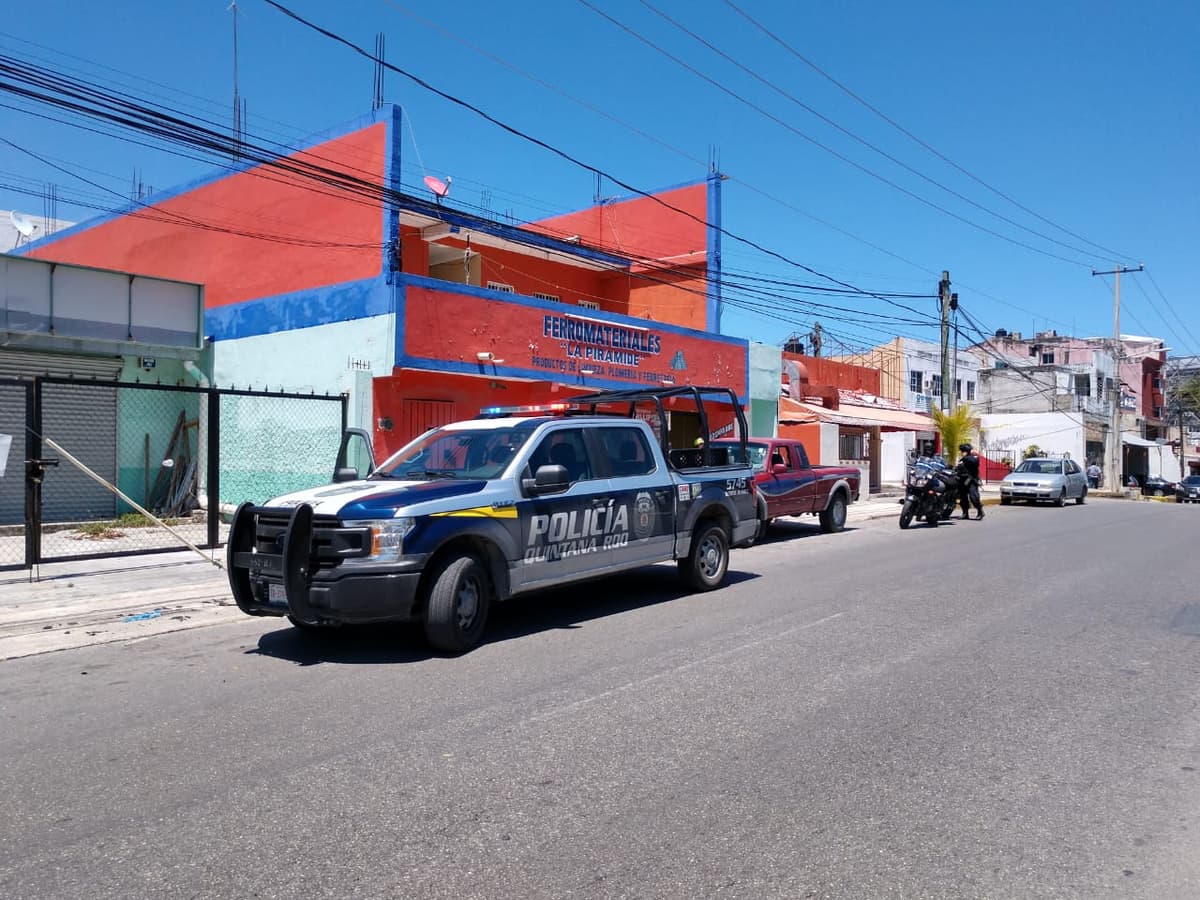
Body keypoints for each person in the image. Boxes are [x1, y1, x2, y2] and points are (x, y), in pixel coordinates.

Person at [955, 442, 984, 520]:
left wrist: (966, 456)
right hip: (962, 481)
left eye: (963, 451)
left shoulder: (973, 458)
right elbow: (957, 469)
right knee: (963, 498)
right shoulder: (962, 460)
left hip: (971, 481)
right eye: (961, 451)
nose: (961, 453)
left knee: (974, 498)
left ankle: (980, 512)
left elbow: (974, 462)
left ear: (967, 451)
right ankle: (965, 513)